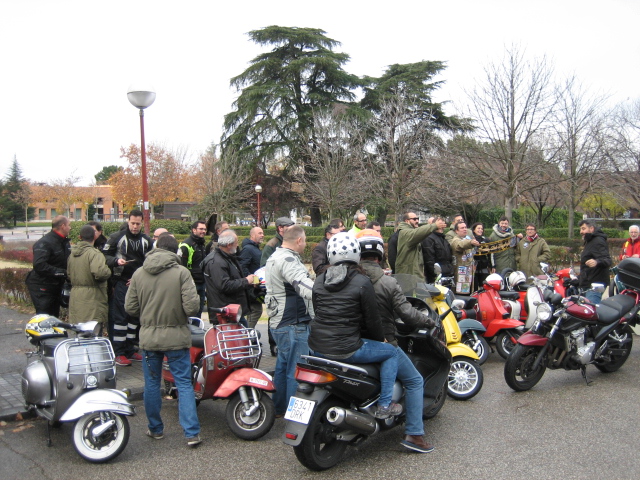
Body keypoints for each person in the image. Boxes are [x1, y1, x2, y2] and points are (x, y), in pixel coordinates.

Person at [357, 229, 436, 453]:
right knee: (414, 380)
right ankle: (414, 434)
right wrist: (428, 322)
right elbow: (408, 314)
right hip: (384, 343)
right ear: (380, 255)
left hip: (355, 342)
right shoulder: (388, 283)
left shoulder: (351, 279)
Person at [308, 232, 402, 419]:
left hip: (317, 348)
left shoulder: (319, 279)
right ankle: (384, 405)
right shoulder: (362, 281)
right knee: (391, 352)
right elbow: (372, 320)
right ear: (356, 253)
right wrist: (380, 339)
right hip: (347, 348)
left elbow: (317, 311)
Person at [124, 234, 201, 447]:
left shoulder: (139, 273)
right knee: (184, 384)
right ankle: (191, 433)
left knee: (151, 383)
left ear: (156, 247)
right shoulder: (182, 273)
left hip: (149, 338)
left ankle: (155, 429)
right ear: (175, 251)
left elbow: (130, 308)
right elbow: (192, 308)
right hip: (177, 336)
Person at [264, 225, 314, 416]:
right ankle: (296, 417)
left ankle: (278, 409)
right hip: (293, 322)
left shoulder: (275, 256)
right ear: (299, 240)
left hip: (279, 322)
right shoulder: (288, 259)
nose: (306, 243)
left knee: (283, 367)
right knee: (297, 371)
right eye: (305, 240)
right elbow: (305, 287)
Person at [102, 210, 152, 366]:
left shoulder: (147, 240)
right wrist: (116, 262)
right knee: (120, 318)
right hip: (121, 282)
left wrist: (139, 278)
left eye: (138, 224)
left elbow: (151, 262)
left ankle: (131, 350)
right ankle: (119, 352)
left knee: (134, 318)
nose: (135, 227)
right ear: (128, 221)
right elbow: (103, 256)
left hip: (138, 283)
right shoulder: (117, 237)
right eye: (133, 223)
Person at [203, 230, 257, 326]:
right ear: (229, 245)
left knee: (245, 337)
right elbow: (224, 285)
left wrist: (248, 282)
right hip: (225, 313)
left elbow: (232, 278)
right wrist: (246, 281)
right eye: (236, 243)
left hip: (233, 311)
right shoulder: (217, 262)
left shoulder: (228, 257)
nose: (237, 245)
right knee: (236, 339)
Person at [25, 215, 71, 317]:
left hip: (55, 284)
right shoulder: (45, 243)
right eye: (69, 225)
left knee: (54, 316)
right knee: (45, 316)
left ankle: (53, 332)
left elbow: (65, 261)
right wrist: (63, 273)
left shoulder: (64, 242)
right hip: (42, 285)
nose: (70, 228)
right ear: (63, 226)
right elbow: (39, 265)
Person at [67, 225, 111, 325]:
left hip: (75, 298)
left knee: (79, 335)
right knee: (92, 336)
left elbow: (69, 274)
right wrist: (108, 271)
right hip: (93, 299)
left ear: (80, 237)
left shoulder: (72, 255)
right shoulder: (95, 254)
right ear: (94, 236)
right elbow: (100, 273)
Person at [395, 212, 446, 278]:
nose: (417, 221)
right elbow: (417, 233)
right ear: (407, 221)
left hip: (413, 275)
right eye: (414, 219)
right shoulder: (404, 232)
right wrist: (434, 225)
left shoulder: (410, 231)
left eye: (417, 219)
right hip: (408, 276)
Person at [178, 221, 208, 317]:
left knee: (199, 311)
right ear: (194, 230)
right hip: (191, 285)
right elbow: (181, 267)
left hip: (201, 282)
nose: (203, 231)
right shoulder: (186, 245)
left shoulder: (201, 244)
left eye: (205, 229)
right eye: (201, 229)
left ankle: (197, 330)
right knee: (191, 313)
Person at [578, 219, 612, 304]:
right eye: (581, 229)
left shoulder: (597, 241)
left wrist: (597, 262)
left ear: (591, 228)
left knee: (591, 312)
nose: (581, 231)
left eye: (583, 228)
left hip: (595, 285)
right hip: (588, 283)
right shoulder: (589, 241)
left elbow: (607, 260)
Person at [238, 226, 265, 328]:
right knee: (256, 310)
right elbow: (242, 267)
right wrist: (253, 280)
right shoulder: (248, 249)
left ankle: (248, 335)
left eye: (262, 233)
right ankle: (247, 335)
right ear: (252, 235)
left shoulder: (254, 248)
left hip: (255, 287)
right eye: (259, 233)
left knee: (255, 311)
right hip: (250, 288)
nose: (262, 235)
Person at [450, 221, 480, 294]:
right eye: (462, 228)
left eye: (465, 227)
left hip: (469, 274)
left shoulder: (466, 239)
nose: (465, 229)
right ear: (456, 231)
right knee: (462, 297)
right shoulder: (455, 240)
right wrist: (470, 242)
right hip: (460, 277)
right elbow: (460, 245)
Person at [423, 216, 454, 284]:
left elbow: (449, 257)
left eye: (443, 224)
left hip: (447, 275)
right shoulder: (429, 239)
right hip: (436, 277)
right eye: (440, 224)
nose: (442, 226)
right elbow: (429, 260)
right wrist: (435, 275)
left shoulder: (443, 239)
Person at [470, 222, 493, 291]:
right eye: (478, 228)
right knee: (474, 288)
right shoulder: (470, 240)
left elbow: (491, 254)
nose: (480, 230)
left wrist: (492, 266)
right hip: (473, 268)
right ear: (474, 230)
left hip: (484, 267)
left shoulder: (486, 240)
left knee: (485, 287)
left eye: (481, 228)